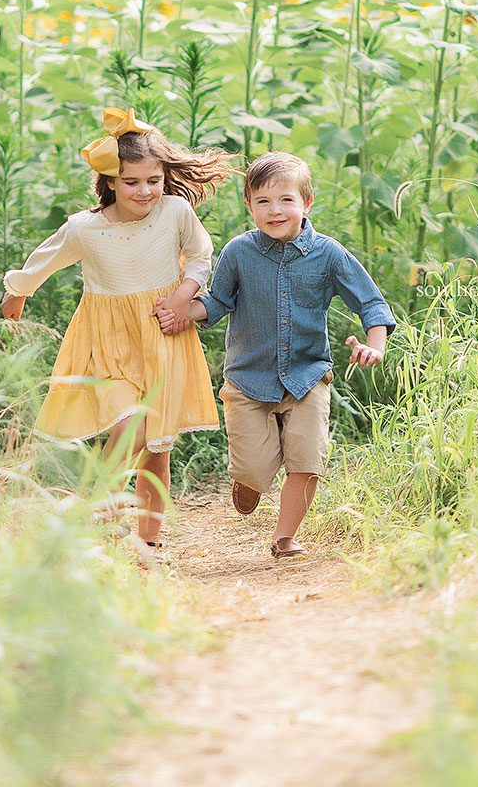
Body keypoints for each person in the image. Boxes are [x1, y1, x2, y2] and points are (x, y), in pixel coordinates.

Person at [2, 107, 233, 561]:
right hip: (107, 343)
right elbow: (41, 262)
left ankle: (149, 543)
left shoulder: (175, 212)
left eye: (153, 180)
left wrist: (184, 296)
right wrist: (17, 294)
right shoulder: (86, 229)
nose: (145, 191)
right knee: (133, 425)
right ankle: (93, 517)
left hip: (162, 338)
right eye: (131, 182)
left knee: (156, 447)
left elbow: (201, 256)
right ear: (109, 181)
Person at [156, 152, 396, 559]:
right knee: (255, 468)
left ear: (307, 202)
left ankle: (284, 538)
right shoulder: (238, 252)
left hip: (307, 376)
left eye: (286, 200)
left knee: (307, 460)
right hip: (249, 379)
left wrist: (375, 345)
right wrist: (183, 310)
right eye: (263, 202)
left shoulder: (329, 254)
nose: (275, 210)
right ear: (248, 205)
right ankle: (248, 480)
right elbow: (217, 301)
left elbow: (371, 304)